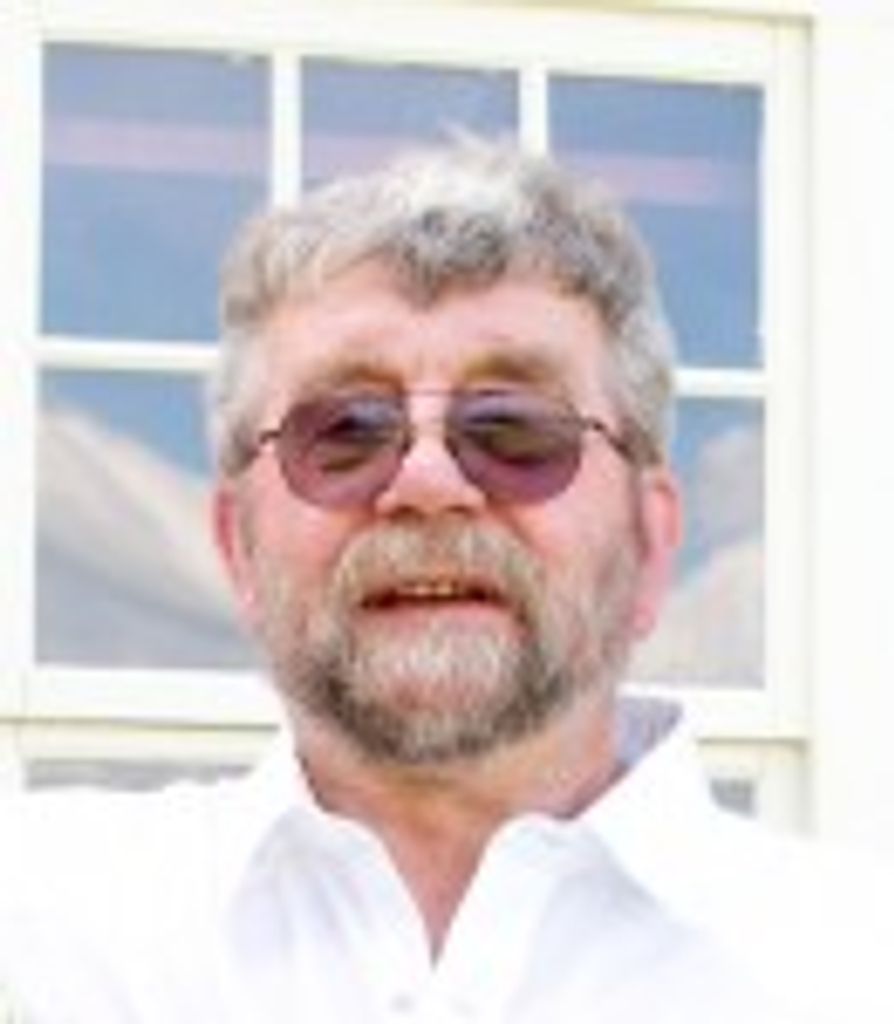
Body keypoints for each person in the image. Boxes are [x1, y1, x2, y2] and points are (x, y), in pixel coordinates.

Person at [1, 137, 892, 1023]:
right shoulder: (47, 940)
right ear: (238, 546)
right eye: (346, 432)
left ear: (650, 541)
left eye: (515, 428)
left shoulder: (855, 966)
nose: (426, 483)